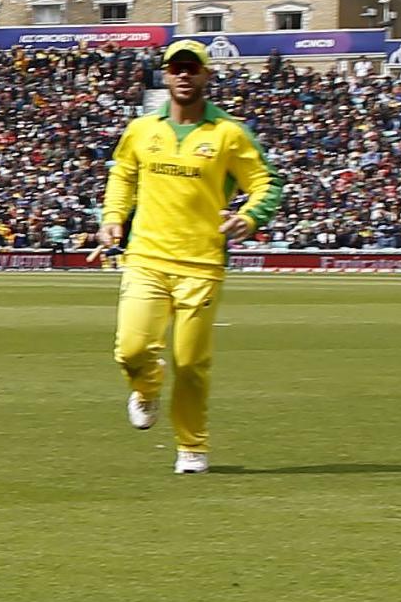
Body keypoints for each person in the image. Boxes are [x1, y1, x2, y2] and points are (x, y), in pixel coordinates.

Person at [98, 41, 283, 473]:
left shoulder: (229, 134)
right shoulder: (142, 130)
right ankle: (146, 386)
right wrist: (112, 217)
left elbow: (267, 183)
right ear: (165, 76)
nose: (184, 76)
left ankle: (191, 445)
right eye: (176, 69)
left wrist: (250, 218)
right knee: (130, 350)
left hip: (201, 264)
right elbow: (123, 175)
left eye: (192, 69)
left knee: (191, 363)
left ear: (206, 76)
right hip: (146, 257)